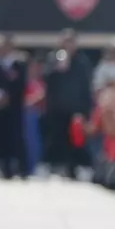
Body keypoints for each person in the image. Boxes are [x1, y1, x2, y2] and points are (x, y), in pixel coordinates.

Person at [43, 30, 93, 178]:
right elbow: (46, 79)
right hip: (57, 107)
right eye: (66, 41)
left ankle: (74, 167)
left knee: (75, 140)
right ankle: (56, 166)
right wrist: (57, 69)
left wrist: (85, 109)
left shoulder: (82, 62)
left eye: (71, 42)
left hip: (75, 108)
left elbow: (86, 86)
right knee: (56, 138)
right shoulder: (53, 58)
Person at [0, 36, 29, 179]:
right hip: (0, 108)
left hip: (15, 107)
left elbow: (22, 84)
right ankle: (6, 169)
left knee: (17, 138)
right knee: (3, 138)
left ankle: (23, 168)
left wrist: (9, 96)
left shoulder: (19, 64)